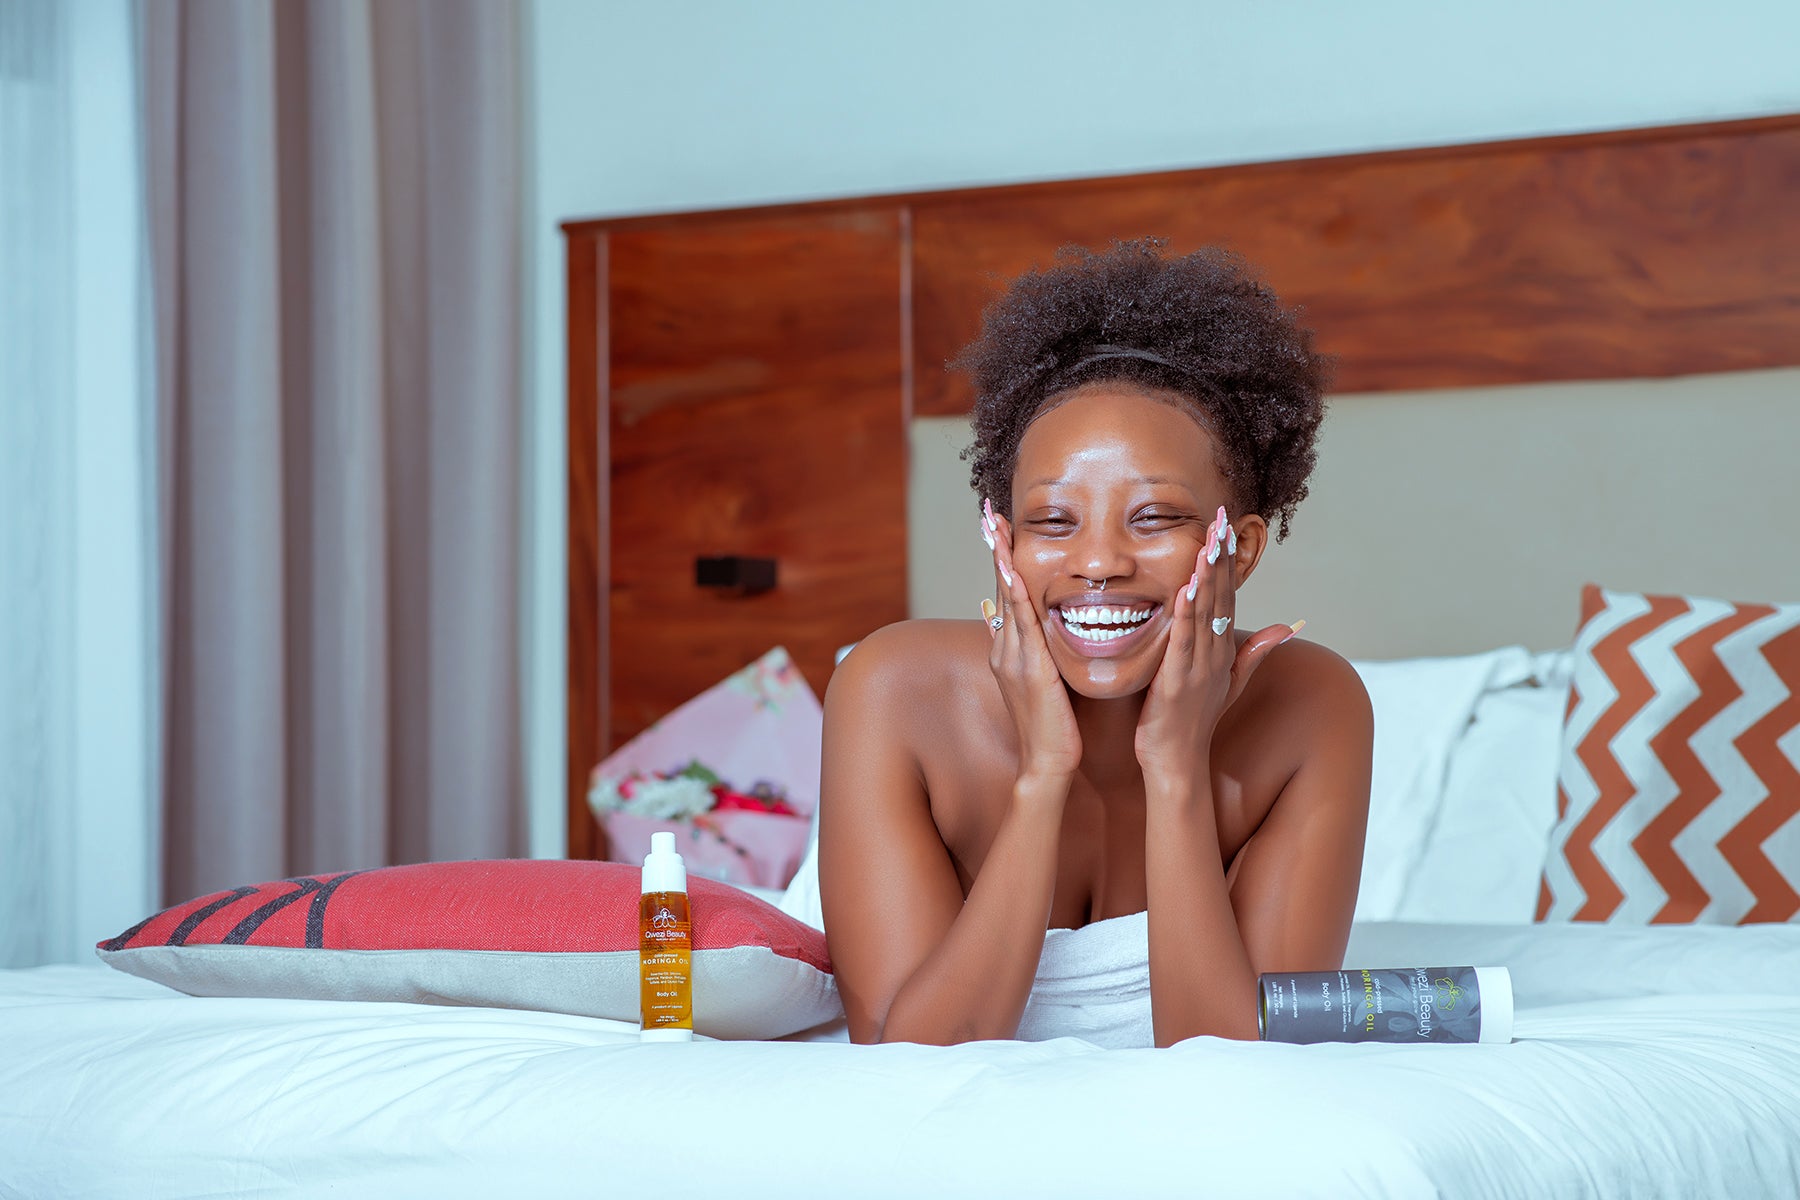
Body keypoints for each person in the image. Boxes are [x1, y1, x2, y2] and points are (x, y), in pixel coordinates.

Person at [818, 239, 1373, 1048]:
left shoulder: (1312, 707)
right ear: (1004, 541)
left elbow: (1236, 1064)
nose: (1100, 562)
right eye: (1051, 521)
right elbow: (905, 1059)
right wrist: (1044, 773)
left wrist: (1175, 768)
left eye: (1154, 518)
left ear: (1240, 549)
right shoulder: (892, 692)